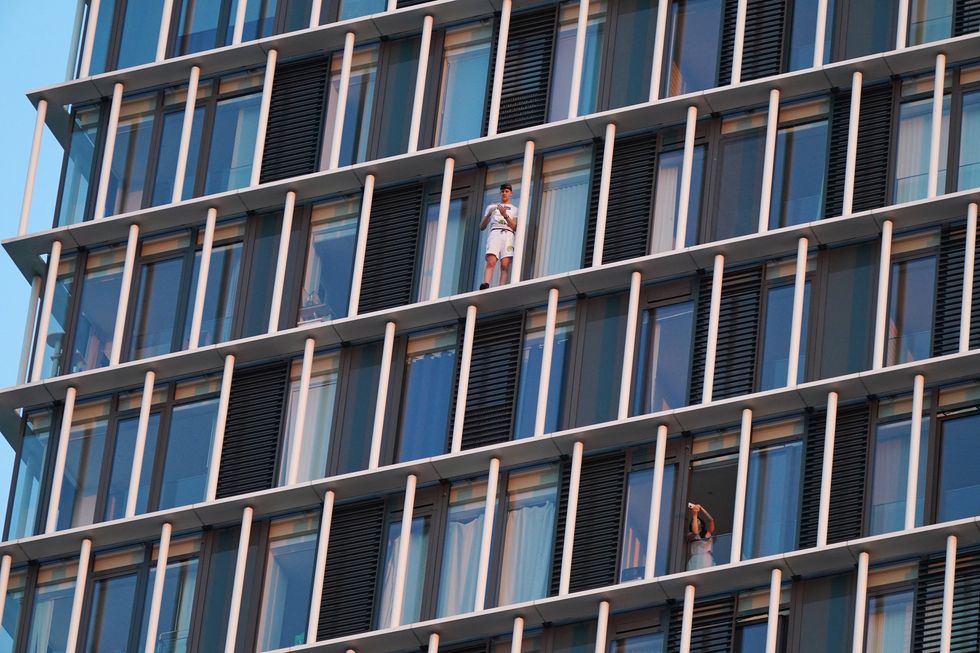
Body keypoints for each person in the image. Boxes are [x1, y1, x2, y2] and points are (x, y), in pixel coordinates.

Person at [479, 183, 518, 290]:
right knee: (491, 260)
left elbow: (515, 227)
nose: (504, 193)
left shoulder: (515, 209)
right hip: (495, 232)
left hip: (508, 234)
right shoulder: (492, 207)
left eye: (507, 191)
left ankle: (501, 287)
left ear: (511, 193)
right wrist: (488, 215)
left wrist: (505, 215)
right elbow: (482, 227)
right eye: (503, 191)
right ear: (500, 193)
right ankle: (486, 283)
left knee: (505, 264)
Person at [686, 502, 715, 571]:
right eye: (694, 521)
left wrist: (701, 509)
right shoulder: (691, 535)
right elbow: (695, 532)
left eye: (697, 520)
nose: (695, 521)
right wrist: (695, 514)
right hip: (696, 559)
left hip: (707, 558)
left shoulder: (708, 533)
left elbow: (711, 520)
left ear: (701, 524)